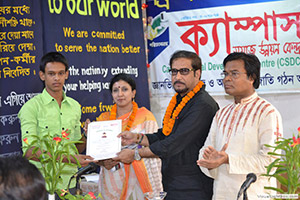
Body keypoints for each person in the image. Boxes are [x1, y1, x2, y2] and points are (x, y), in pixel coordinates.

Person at [115, 50, 219, 200]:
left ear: (197, 74)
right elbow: (166, 134)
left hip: (193, 186)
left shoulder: (202, 104)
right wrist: (137, 138)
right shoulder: (180, 100)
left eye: (184, 71)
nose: (177, 77)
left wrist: (135, 154)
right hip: (173, 181)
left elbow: (174, 142)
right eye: (174, 71)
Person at [197, 52, 283, 200]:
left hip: (255, 194)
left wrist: (228, 159)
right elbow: (206, 149)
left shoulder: (267, 112)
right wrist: (209, 163)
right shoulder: (221, 114)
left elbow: (271, 161)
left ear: (251, 77)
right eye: (225, 74)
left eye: (234, 74)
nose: (227, 79)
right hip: (222, 193)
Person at [18, 52, 93, 191]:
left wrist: (88, 135)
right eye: (51, 74)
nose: (56, 78)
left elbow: (76, 148)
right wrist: (68, 159)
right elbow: (30, 151)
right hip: (42, 184)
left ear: (67, 74)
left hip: (69, 183)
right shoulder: (31, 108)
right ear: (42, 75)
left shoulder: (74, 106)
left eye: (60, 73)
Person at [86, 73, 163, 200]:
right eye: (115, 90)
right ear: (111, 95)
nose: (120, 94)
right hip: (111, 179)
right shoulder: (103, 120)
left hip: (140, 177)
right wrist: (103, 162)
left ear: (133, 93)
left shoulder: (145, 116)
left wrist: (134, 154)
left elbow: (155, 148)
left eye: (125, 89)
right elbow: (97, 154)